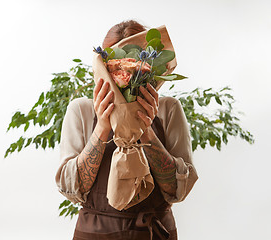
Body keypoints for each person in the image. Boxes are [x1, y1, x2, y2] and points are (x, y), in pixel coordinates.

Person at [55, 20, 198, 240]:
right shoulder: (81, 110)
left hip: (154, 232)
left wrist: (146, 129)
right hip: (95, 233)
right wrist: (102, 126)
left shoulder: (168, 109)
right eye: (113, 65)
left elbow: (177, 190)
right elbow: (72, 190)